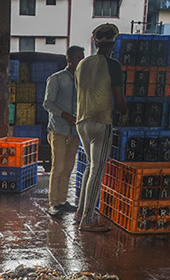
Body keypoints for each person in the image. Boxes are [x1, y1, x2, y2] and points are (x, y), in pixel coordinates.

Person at [74, 23, 127, 233]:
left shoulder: (82, 65)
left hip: (81, 121)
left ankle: (80, 212)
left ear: (95, 42)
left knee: (90, 166)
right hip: (101, 121)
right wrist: (124, 112)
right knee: (98, 168)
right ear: (113, 44)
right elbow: (119, 99)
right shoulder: (113, 65)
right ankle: (87, 220)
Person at [43, 45, 85, 218]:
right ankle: (53, 204)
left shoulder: (82, 80)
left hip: (75, 132)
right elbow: (47, 103)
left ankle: (62, 201)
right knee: (58, 167)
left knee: (68, 168)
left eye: (82, 58)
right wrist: (64, 114)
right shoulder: (56, 79)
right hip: (58, 130)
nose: (81, 61)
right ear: (69, 59)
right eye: (78, 58)